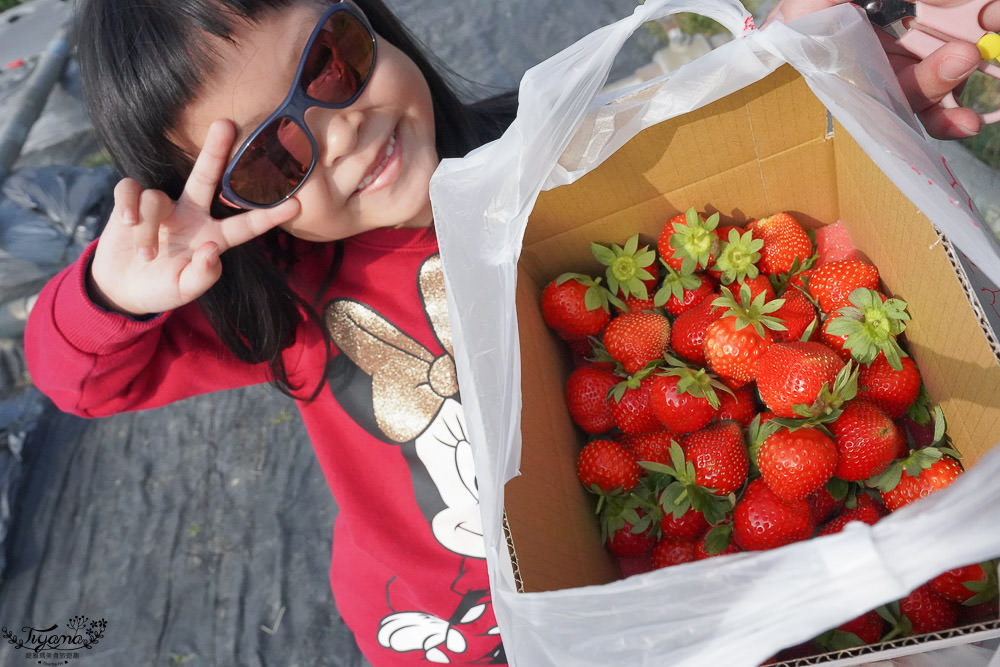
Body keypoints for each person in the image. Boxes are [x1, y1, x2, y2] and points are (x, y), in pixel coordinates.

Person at [21, 0, 999, 665]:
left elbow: (722, 107)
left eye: (330, 61)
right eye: (274, 161)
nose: (340, 129)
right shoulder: (285, 313)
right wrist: (119, 289)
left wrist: (827, 49)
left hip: (639, 588)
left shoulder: (544, 159)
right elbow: (81, 380)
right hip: (447, 630)